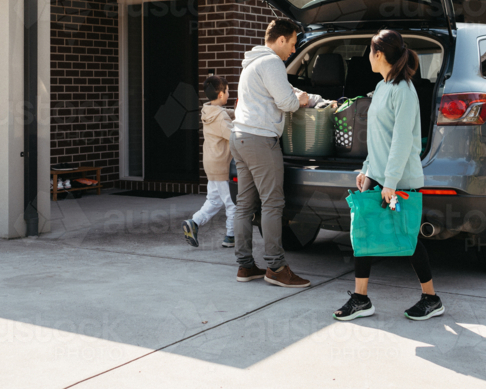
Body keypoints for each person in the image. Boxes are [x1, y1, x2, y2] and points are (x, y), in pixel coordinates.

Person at [334, 29, 444, 322]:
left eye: (369, 52)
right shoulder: (382, 86)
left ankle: (431, 298)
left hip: (399, 178)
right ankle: (360, 298)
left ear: (379, 55)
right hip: (380, 175)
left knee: (407, 239)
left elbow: (401, 141)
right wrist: (368, 169)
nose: (367, 57)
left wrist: (390, 183)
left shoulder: (404, 92)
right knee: (363, 232)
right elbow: (378, 137)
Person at [231, 18, 324, 287]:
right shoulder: (272, 62)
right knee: (273, 204)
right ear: (281, 39)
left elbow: (281, 91)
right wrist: (303, 101)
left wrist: (309, 96)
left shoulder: (253, 63)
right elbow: (286, 101)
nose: (294, 50)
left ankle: (245, 266)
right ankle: (276, 267)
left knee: (245, 205)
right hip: (260, 140)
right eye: (293, 43)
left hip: (239, 138)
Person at [182, 75, 237, 248]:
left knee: (214, 200)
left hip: (211, 164)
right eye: (227, 92)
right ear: (221, 94)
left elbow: (226, 114)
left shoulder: (208, 111)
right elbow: (234, 136)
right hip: (222, 166)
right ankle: (230, 236)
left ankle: (194, 222)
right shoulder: (220, 118)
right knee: (232, 203)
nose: (229, 94)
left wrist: (237, 111)